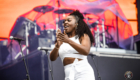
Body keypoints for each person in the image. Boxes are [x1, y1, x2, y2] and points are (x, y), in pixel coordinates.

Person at [50, 10, 95, 80]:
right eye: (64, 21)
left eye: (69, 20)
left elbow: (86, 51)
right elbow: (52, 58)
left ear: (76, 23)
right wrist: (57, 45)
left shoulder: (83, 36)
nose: (65, 22)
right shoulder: (62, 38)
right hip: (68, 74)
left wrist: (68, 41)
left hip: (83, 72)